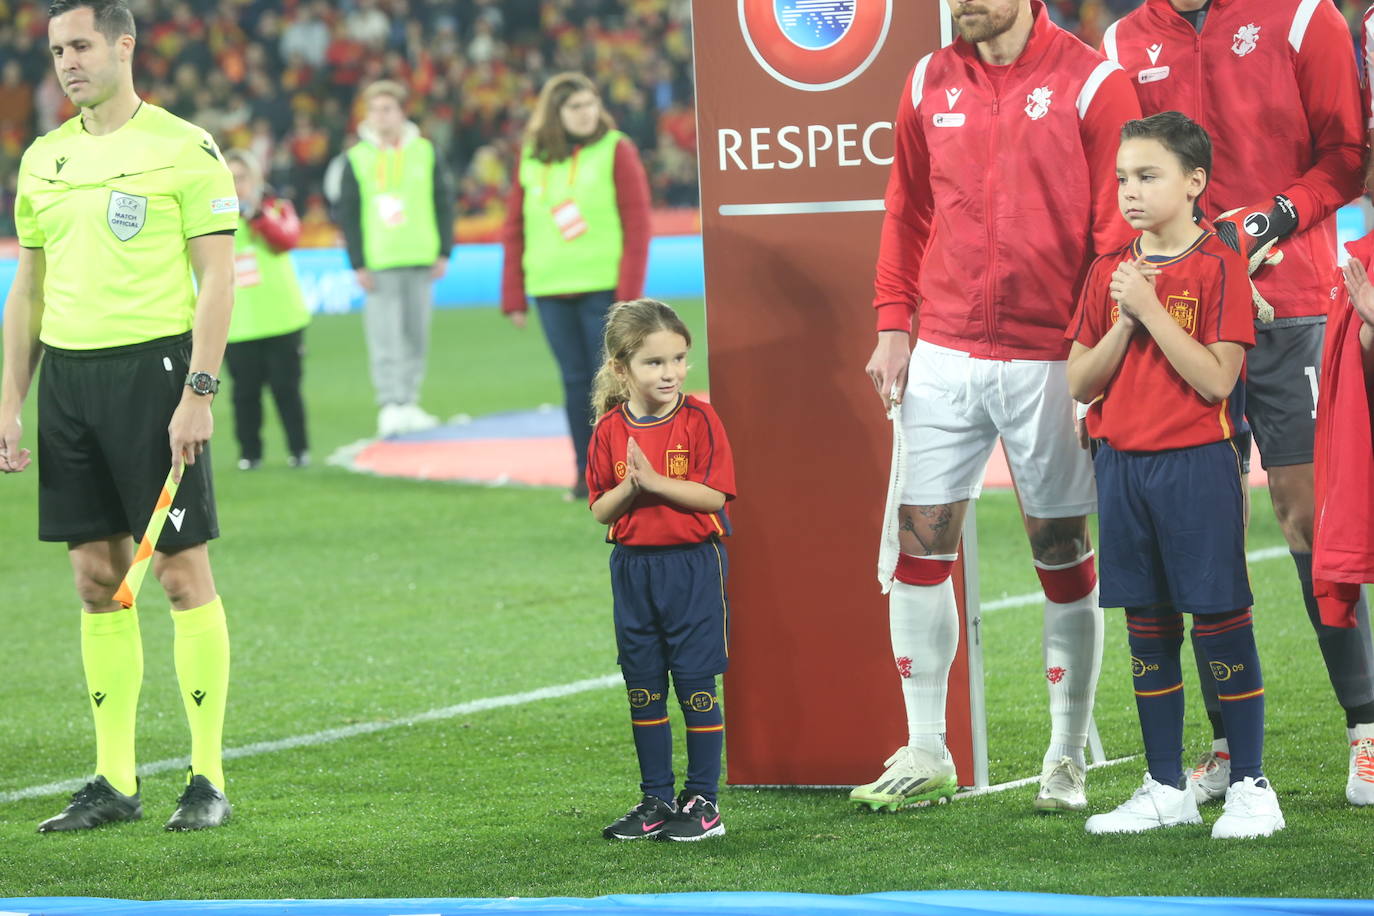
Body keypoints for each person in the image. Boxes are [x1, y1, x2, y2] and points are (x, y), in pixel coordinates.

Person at [858, 0, 1141, 813]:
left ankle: (1065, 754)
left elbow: (1112, 235)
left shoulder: (1094, 83)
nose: (960, 4)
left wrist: (1092, 347)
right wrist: (891, 324)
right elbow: (905, 210)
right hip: (943, 350)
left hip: (1050, 356)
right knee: (921, 544)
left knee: (1060, 549)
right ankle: (926, 746)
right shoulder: (926, 78)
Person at [1101, 0, 1374, 808]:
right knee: (1199, 525)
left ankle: (1365, 731)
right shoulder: (1123, 40)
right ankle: (1224, 748)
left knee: (1304, 517)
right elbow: (1121, 179)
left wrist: (1266, 219)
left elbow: (1346, 158)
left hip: (1291, 306)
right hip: (1177, 317)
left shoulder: (1300, 18)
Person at [0, 0, 235, 832]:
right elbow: (27, 288)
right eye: (57, 49)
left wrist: (198, 394)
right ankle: (114, 780)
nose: (67, 62)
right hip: (67, 381)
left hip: (155, 375)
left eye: (82, 45)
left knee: (178, 574)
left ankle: (206, 778)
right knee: (95, 581)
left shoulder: (183, 147)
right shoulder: (43, 159)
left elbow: (217, 279)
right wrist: (12, 404)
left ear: (124, 46)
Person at [1067, 112, 1284, 838]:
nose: (1130, 190)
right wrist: (1125, 319)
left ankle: (1251, 784)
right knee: (1147, 627)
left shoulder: (1217, 263)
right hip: (1120, 467)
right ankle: (1164, 786)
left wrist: (1151, 310)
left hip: (1197, 465)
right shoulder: (1107, 271)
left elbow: (1218, 381)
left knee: (1220, 620)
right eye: (1123, 177)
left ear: (1195, 183)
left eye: (1148, 175)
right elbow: (1079, 380)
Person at [587, 299, 735, 841]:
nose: (670, 372)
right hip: (633, 571)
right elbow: (600, 508)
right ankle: (654, 799)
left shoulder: (699, 419)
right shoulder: (609, 429)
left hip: (692, 568)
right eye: (655, 363)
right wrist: (631, 484)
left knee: (695, 684)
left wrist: (653, 483)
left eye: (678, 359)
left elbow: (713, 495)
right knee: (643, 687)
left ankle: (704, 801)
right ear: (621, 370)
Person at [502, 72, 652, 502]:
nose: (586, 114)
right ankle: (584, 472)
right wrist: (514, 294)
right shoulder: (532, 157)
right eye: (575, 108)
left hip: (604, 291)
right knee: (573, 383)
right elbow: (514, 227)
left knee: (614, 383)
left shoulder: (615, 148)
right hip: (550, 288)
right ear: (555, 113)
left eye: (590, 104)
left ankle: (626, 472)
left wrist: (629, 296)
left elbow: (637, 224)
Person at [337, 79, 453, 439]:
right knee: (385, 336)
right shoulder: (356, 158)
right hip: (380, 260)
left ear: (402, 112)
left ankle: (409, 401)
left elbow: (443, 202)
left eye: (387, 108)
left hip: (420, 255)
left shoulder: (425, 151)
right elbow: (348, 214)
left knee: (416, 334)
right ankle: (389, 404)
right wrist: (357, 261)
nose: (380, 116)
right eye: (374, 110)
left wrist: (445, 250)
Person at [223, 149, 310, 470]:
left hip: (282, 318)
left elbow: (287, 239)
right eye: (229, 178)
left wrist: (255, 215)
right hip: (238, 323)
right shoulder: (214, 218)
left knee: (287, 391)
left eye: (242, 177)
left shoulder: (275, 208)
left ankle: (299, 451)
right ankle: (250, 455)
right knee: (244, 396)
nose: (236, 185)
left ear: (255, 178)